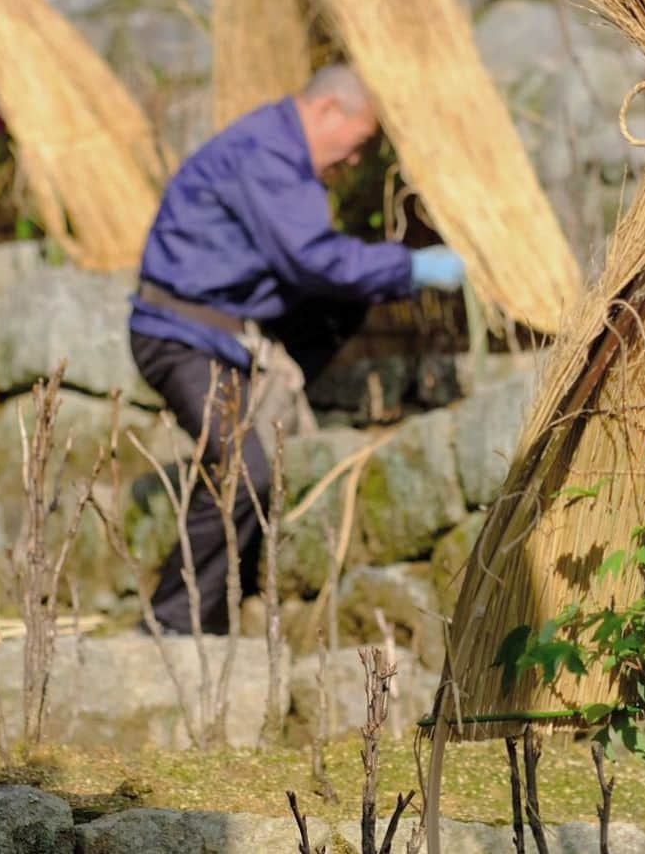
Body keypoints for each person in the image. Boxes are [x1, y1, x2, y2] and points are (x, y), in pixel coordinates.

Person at [129, 65, 465, 635]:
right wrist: (410, 265)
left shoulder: (277, 147)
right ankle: (170, 628)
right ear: (329, 109)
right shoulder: (267, 152)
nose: (354, 162)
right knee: (241, 472)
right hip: (179, 337)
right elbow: (312, 258)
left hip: (220, 331)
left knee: (349, 296)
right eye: (358, 145)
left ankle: (309, 405)